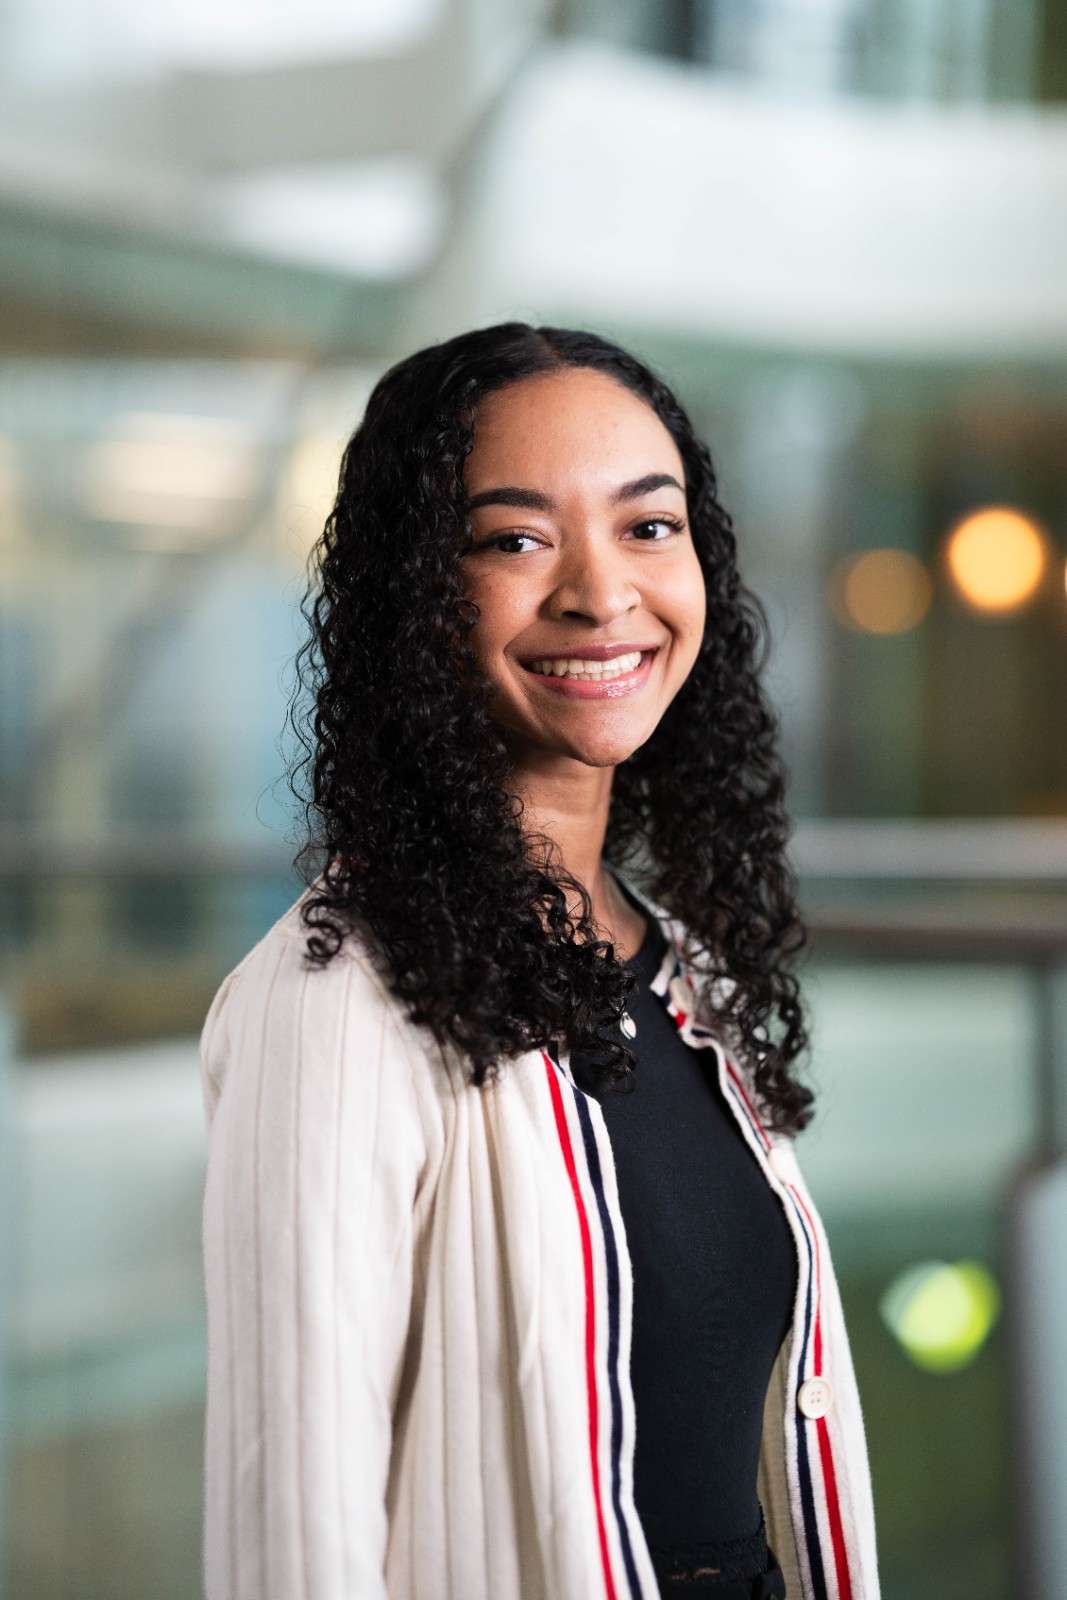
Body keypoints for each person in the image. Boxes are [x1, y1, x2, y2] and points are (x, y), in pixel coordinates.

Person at [197, 323, 881, 1600]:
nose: (599, 593)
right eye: (513, 538)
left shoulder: (682, 972)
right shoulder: (338, 1002)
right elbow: (290, 1530)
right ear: (414, 596)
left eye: (646, 525)